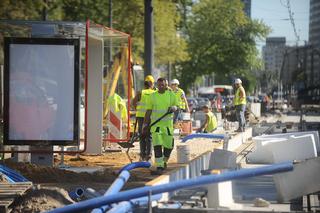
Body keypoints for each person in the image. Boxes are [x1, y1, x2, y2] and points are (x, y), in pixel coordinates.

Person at [143, 78, 179, 175]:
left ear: (166, 85)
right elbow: (148, 111)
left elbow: (177, 106)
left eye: (163, 85)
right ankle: (159, 166)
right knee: (157, 146)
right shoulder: (152, 96)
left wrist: (174, 107)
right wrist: (145, 124)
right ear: (157, 85)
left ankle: (164, 161)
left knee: (169, 146)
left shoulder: (171, 95)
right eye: (159, 85)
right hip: (156, 126)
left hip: (168, 127)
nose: (161, 87)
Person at [132, 75, 156, 161]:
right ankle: (149, 156)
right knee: (149, 136)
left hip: (141, 117)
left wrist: (137, 110)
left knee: (142, 136)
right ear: (151, 83)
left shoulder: (140, 92)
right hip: (150, 117)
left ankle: (142, 155)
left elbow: (133, 102)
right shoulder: (154, 93)